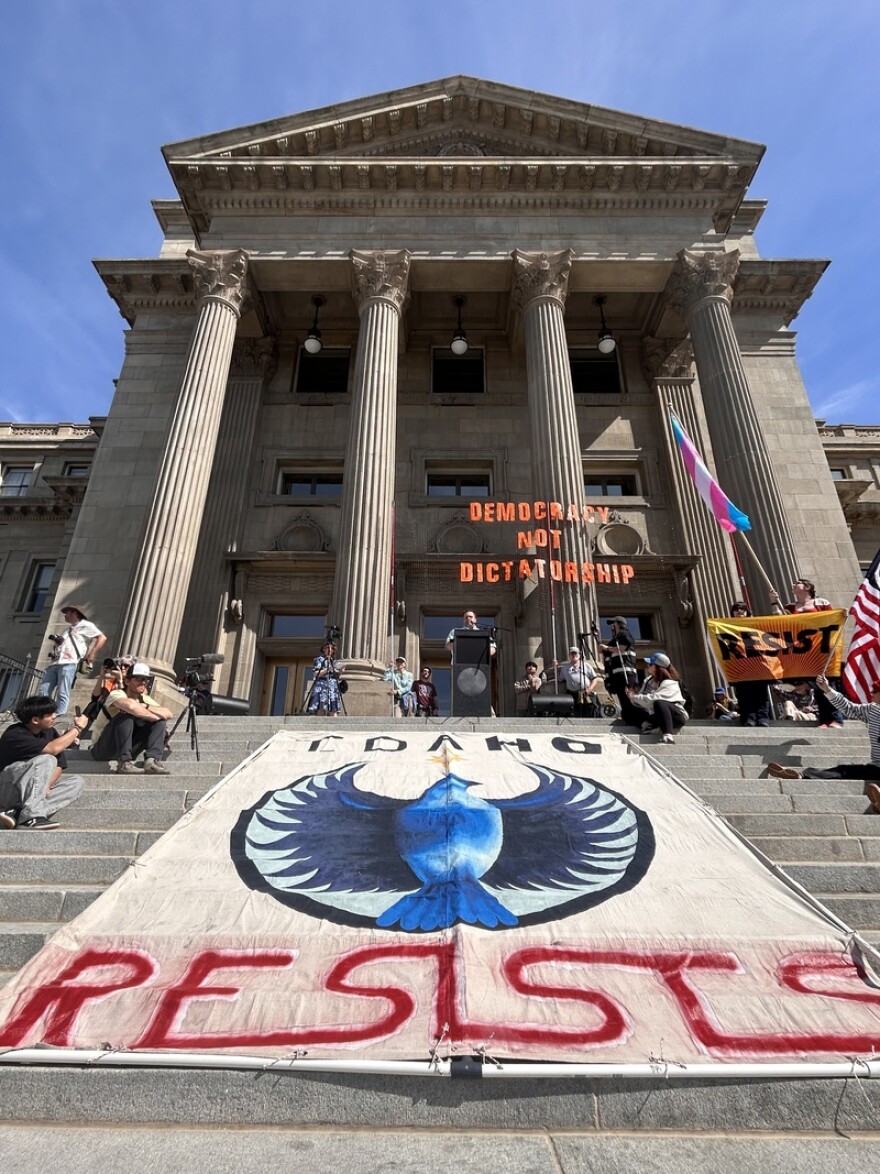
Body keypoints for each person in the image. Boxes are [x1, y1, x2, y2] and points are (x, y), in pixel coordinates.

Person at [768, 676, 880, 813]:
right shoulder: (872, 710)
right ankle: (803, 775)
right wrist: (827, 690)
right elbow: (848, 708)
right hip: (876, 767)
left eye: (875, 691)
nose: (871, 693)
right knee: (843, 770)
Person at [0, 695, 87, 829]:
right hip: (8, 789)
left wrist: (47, 784)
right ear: (35, 720)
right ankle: (30, 817)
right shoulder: (15, 734)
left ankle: (18, 813)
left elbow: (59, 765)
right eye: (49, 714)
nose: (54, 716)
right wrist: (78, 729)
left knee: (77, 782)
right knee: (46, 759)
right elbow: (53, 749)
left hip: (30, 794)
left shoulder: (49, 732)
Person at [769, 580, 844, 727]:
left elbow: (832, 620)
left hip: (821, 650)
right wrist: (773, 602)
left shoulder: (821, 603)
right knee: (816, 687)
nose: (793, 585)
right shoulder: (790, 607)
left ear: (807, 587)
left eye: (798, 583)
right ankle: (825, 719)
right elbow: (778, 621)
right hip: (805, 654)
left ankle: (836, 719)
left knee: (828, 686)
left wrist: (842, 615)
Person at [90, 661, 172, 774]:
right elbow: (131, 706)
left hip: (129, 747)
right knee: (127, 714)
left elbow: (168, 713)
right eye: (138, 679)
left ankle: (152, 760)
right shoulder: (117, 693)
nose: (143, 682)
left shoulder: (144, 699)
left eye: (145, 679)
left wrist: (145, 706)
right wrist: (152, 715)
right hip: (103, 749)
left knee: (160, 721)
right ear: (127, 681)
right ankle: (124, 763)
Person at [37, 604, 106, 716]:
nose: (65, 615)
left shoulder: (86, 625)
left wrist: (92, 653)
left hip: (69, 662)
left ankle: (60, 713)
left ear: (75, 613)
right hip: (55, 662)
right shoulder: (67, 630)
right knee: (43, 690)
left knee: (63, 690)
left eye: (67, 612)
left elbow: (102, 637)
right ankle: (43, 712)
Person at [728, 600, 772, 727]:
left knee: (761, 694)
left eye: (742, 609)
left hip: (758, 664)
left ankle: (763, 718)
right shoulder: (727, 626)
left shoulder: (756, 625)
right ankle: (749, 718)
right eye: (736, 609)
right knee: (744, 694)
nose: (739, 612)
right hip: (741, 666)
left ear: (748, 612)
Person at [628, 652, 689, 744]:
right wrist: (632, 697)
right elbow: (641, 701)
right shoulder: (647, 681)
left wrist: (635, 697)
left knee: (659, 702)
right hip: (654, 713)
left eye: (651, 664)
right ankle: (651, 726)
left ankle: (668, 737)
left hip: (676, 716)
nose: (647, 666)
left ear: (658, 667)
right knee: (628, 712)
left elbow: (653, 700)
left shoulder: (669, 683)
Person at [599, 616, 641, 726]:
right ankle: (628, 719)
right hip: (617, 675)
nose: (611, 626)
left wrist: (606, 648)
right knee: (622, 698)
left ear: (618, 624)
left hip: (626, 673)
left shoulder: (624, 634)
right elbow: (605, 651)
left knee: (628, 697)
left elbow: (622, 648)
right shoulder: (615, 639)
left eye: (613, 623)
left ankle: (636, 720)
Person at [553, 646, 600, 717]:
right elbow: (560, 679)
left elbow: (595, 679)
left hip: (586, 692)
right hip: (573, 694)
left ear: (579, 654)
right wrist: (555, 668)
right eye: (572, 653)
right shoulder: (565, 667)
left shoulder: (586, 665)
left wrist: (590, 689)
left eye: (575, 653)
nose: (574, 655)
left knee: (591, 710)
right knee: (576, 713)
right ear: (569, 655)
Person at [307, 641, 345, 717]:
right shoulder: (319, 659)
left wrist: (340, 672)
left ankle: (334, 728)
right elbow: (315, 674)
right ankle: (320, 728)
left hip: (333, 687)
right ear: (323, 649)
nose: (330, 649)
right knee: (321, 708)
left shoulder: (334, 661)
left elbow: (337, 677)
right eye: (327, 647)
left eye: (332, 648)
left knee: (333, 709)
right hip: (322, 686)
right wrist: (329, 669)